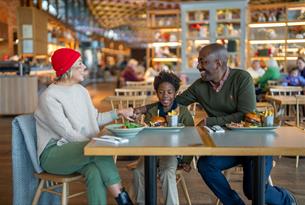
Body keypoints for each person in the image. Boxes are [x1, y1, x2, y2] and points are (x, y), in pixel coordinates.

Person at [133, 43, 297, 205]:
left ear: (218, 63)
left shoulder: (241, 78)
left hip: (255, 144)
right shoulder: (200, 86)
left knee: (253, 190)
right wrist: (143, 109)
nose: (198, 66)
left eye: (202, 62)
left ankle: (285, 199)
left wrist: (211, 121)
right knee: (205, 165)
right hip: (227, 146)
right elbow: (172, 102)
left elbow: (246, 115)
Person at [34, 48, 134, 205]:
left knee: (94, 172)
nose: (84, 67)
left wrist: (119, 112)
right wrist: (94, 144)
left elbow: (95, 118)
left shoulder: (81, 90)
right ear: (67, 68)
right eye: (79, 64)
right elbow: (67, 133)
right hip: (54, 154)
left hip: (77, 149)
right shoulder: (50, 97)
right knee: (99, 151)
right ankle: (124, 200)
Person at [133, 71, 194, 205]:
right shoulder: (152, 111)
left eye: (169, 92)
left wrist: (187, 160)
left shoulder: (183, 112)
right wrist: (140, 125)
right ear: (156, 93)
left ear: (176, 93)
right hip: (152, 151)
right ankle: (141, 202)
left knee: (166, 172)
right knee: (138, 171)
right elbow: (147, 134)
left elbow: (191, 137)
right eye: (161, 92)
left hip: (171, 152)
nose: (165, 95)